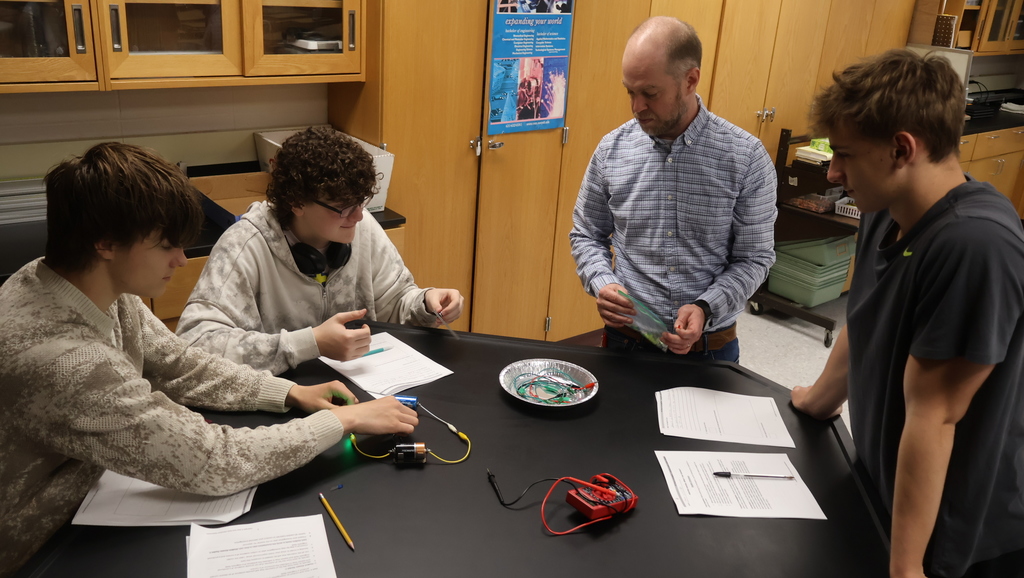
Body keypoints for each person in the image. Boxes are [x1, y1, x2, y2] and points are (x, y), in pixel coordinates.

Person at [0, 142, 419, 576]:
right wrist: (344, 422)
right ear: (105, 242)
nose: (182, 260)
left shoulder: (76, 282)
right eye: (166, 246)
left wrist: (289, 392)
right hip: (41, 548)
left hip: (89, 492)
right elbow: (213, 461)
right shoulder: (66, 361)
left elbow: (181, 364)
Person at [791, 50, 1024, 578]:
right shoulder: (887, 208)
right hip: (885, 484)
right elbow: (868, 318)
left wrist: (905, 570)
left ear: (901, 149)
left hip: (951, 532)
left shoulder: (975, 245)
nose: (833, 171)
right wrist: (820, 400)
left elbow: (935, 414)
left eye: (845, 155)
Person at [569, 16, 777, 362]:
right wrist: (603, 281)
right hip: (627, 343)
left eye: (650, 93)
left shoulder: (745, 158)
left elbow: (754, 258)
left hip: (710, 349)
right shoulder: (611, 151)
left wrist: (705, 307)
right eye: (630, 92)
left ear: (690, 80)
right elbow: (586, 234)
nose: (637, 107)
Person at [176, 127, 464, 375]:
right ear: (297, 202)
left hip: (360, 386)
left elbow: (396, 304)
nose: (359, 217)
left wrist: (426, 303)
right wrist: (309, 343)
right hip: (281, 398)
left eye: (361, 203)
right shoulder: (245, 246)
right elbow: (195, 346)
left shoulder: (361, 229)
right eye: (343, 209)